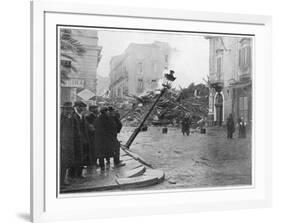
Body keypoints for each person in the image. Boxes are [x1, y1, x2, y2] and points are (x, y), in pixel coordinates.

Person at [71, 101, 88, 178]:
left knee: (81, 157)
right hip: (76, 140)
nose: (81, 108)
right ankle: (73, 174)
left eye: (82, 107)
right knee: (76, 157)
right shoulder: (73, 116)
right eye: (80, 107)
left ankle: (78, 173)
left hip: (82, 140)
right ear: (76, 107)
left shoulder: (82, 116)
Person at [60, 102, 75, 186]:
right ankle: (60, 182)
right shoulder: (61, 119)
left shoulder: (68, 119)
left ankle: (62, 180)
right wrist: (61, 145)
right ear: (63, 109)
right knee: (62, 164)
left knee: (65, 164)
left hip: (68, 145)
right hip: (62, 146)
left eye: (70, 109)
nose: (69, 111)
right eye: (66, 109)